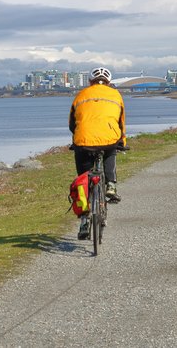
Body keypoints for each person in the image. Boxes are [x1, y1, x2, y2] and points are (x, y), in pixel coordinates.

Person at [69, 67, 126, 239]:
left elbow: (72, 123)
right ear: (109, 82)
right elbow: (120, 122)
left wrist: (78, 139)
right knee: (110, 151)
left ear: (90, 81)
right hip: (109, 137)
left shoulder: (81, 95)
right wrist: (122, 142)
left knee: (84, 178)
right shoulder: (116, 95)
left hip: (83, 141)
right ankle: (111, 185)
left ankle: (84, 221)